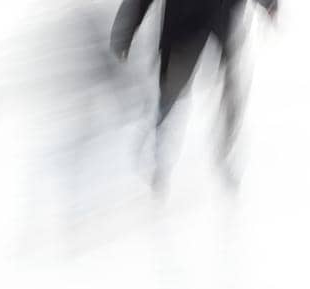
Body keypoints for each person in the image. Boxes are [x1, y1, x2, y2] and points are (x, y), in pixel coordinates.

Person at [110, 0, 278, 186]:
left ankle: (226, 152)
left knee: (232, 84)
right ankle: (159, 151)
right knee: (171, 89)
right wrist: (124, 30)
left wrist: (270, 4)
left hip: (220, 20)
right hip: (184, 25)